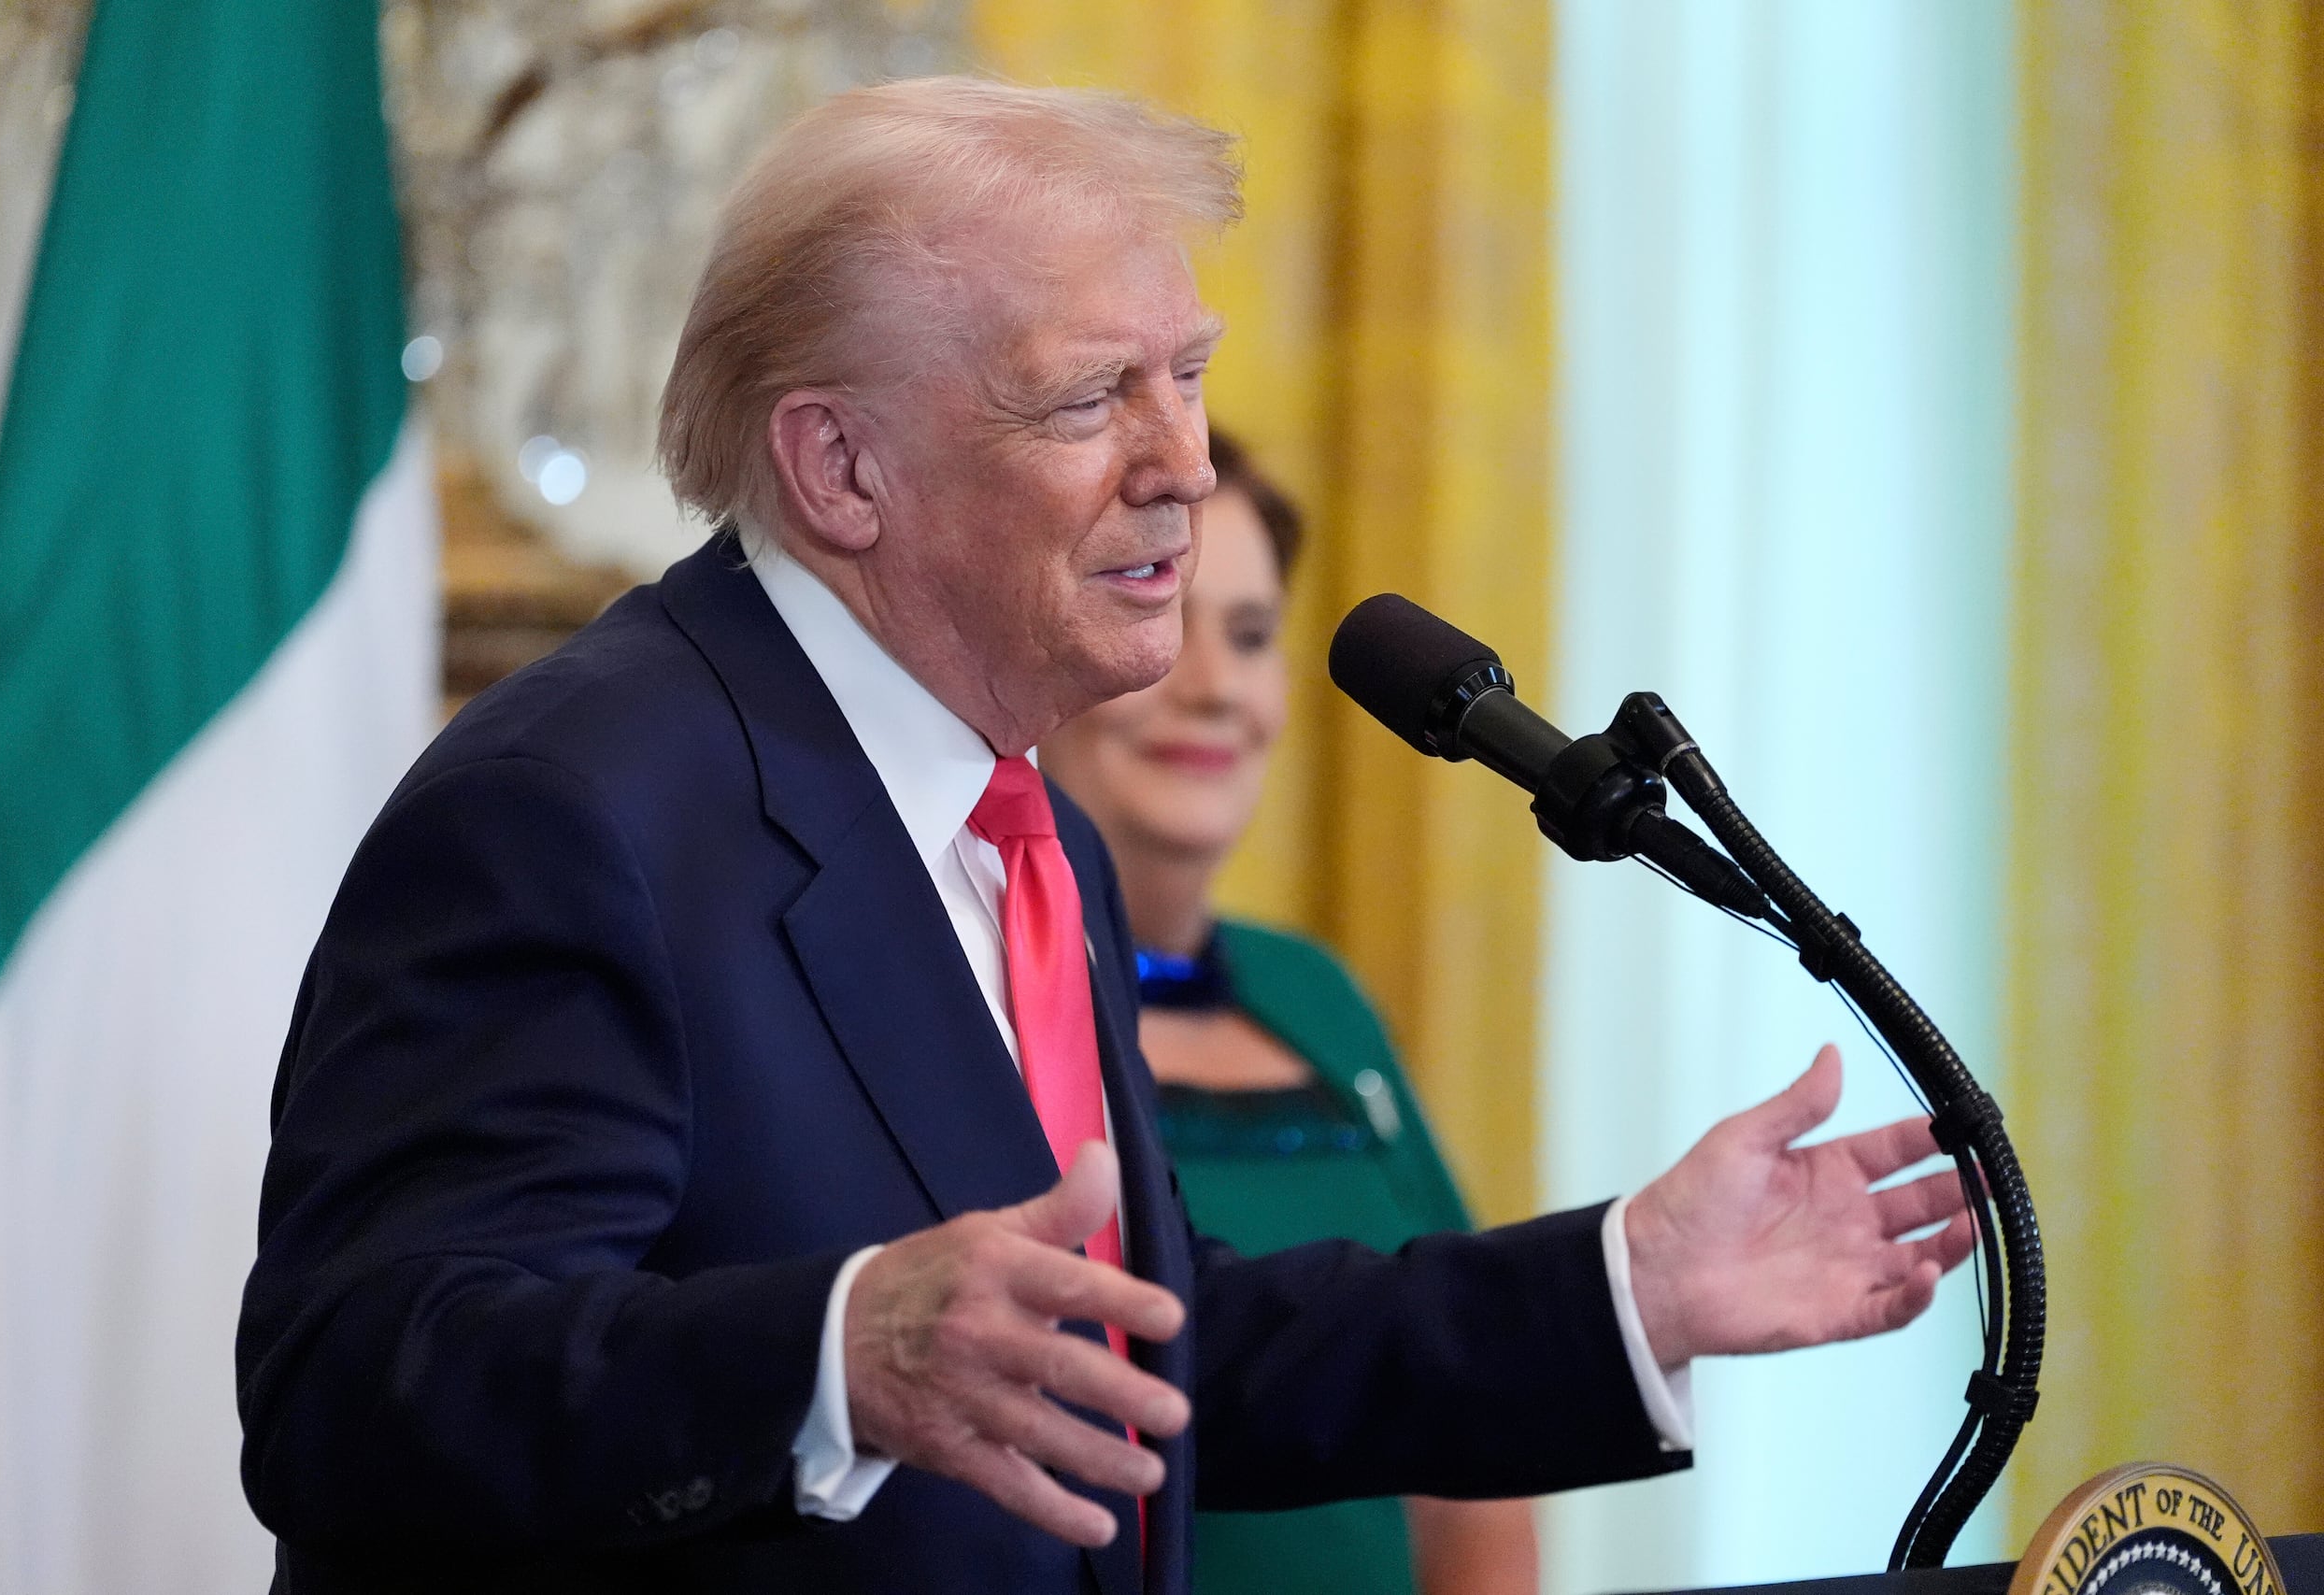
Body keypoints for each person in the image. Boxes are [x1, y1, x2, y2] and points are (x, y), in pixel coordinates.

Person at [235, 78, 1976, 1595]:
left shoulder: (1024, 817)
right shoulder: (578, 809)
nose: (1185, 465)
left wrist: (1624, 1288)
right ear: (842, 468)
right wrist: (837, 1355)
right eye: (1089, 400)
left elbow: (1137, 1349)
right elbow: (356, 1386)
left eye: (1188, 375)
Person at [1041, 430, 1540, 1595]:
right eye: (1165, 620)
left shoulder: (1314, 995)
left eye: (1253, 637)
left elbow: (1468, 1433)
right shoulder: (966, 998)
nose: (1215, 687)